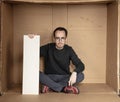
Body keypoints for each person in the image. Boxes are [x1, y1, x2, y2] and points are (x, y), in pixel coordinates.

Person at [28, 27, 85, 94]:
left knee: (81, 75)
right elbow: (32, 53)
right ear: (54, 38)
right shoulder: (48, 47)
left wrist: (75, 72)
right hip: (50, 77)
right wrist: (31, 41)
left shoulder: (69, 49)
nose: (60, 41)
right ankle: (63, 88)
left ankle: (50, 87)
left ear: (66, 39)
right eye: (57, 38)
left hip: (65, 77)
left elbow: (81, 65)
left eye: (62, 38)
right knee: (35, 73)